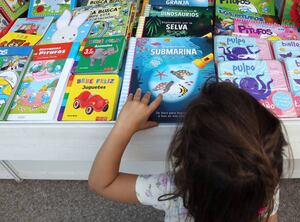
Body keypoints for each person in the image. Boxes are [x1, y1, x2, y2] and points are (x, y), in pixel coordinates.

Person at [89, 82, 289, 222]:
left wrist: (123, 127)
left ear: (183, 154)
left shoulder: (173, 191)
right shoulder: (266, 182)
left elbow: (103, 183)